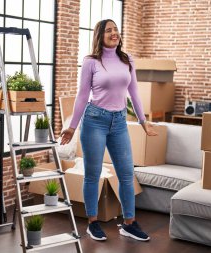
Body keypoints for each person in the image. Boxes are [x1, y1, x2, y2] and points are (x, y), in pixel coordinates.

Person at [60, 19, 157, 242]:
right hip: (95, 120)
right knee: (93, 175)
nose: (114, 33)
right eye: (109, 30)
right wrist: (72, 126)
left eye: (116, 29)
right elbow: (83, 96)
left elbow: (134, 93)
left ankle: (129, 224)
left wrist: (143, 122)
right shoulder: (91, 62)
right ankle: (92, 223)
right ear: (100, 36)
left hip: (120, 122)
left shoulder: (127, 60)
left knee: (125, 173)